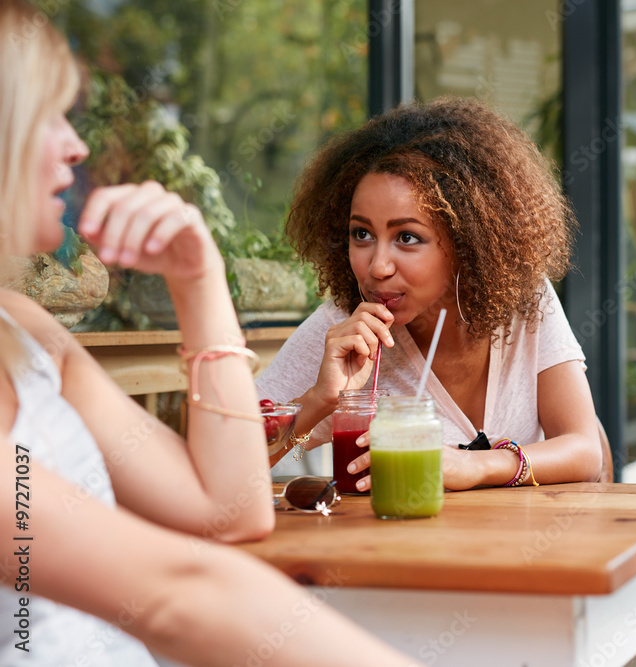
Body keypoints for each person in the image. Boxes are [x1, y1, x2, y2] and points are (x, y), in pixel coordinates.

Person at [0, 2, 420, 665]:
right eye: (44, 118)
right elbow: (180, 593)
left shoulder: (25, 331)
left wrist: (200, 277)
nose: (74, 145)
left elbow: (230, 509)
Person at [256, 97, 636, 667]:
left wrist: (468, 465)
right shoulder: (343, 326)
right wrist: (319, 400)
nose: (377, 264)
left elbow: (586, 451)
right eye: (362, 234)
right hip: (403, 583)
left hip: (542, 557)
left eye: (407, 237)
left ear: (468, 239)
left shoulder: (524, 307)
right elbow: (233, 468)